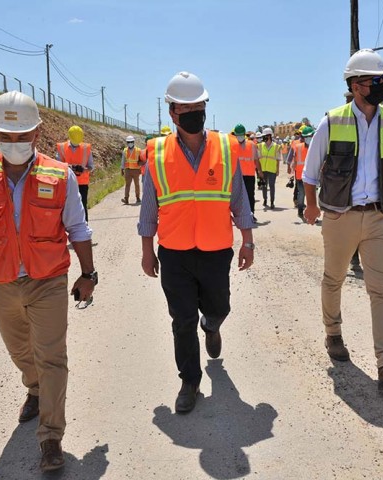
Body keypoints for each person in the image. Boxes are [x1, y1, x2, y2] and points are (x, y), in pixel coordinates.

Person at [0, 91, 97, 471]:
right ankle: (33, 389)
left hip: (47, 281)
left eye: (21, 135)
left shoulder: (59, 174)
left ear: (38, 132)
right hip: (1, 282)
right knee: (21, 353)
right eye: (6, 136)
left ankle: (51, 437)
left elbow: (77, 228)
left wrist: (88, 273)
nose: (14, 144)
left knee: (52, 357)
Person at [138, 71, 255, 413]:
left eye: (198, 105)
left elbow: (239, 200)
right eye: (184, 107)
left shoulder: (225, 147)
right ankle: (190, 381)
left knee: (220, 307)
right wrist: (147, 251)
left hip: (217, 250)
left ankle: (213, 324)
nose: (193, 112)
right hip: (174, 253)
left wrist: (247, 241)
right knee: (182, 319)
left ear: (205, 107)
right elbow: (149, 209)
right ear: (171, 112)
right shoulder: (156, 153)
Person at [303, 48, 383, 392]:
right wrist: (311, 206)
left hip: (378, 217)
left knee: (381, 290)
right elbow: (310, 173)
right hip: (340, 216)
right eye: (373, 81)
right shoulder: (332, 120)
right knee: (334, 278)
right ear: (355, 85)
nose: (381, 85)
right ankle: (333, 333)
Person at [56, 125, 94, 222]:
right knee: (66, 207)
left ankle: (84, 227)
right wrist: (71, 168)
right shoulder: (61, 147)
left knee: (82, 205)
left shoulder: (86, 148)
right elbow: (58, 165)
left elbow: (91, 167)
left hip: (82, 183)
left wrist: (83, 169)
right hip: (66, 182)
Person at [232, 123, 262, 222]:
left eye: (241, 135)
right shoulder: (232, 145)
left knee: (250, 196)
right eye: (238, 135)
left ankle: (251, 214)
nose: (239, 137)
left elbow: (256, 160)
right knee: (236, 197)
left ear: (244, 134)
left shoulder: (252, 145)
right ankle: (238, 216)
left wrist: (260, 172)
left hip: (249, 175)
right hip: (236, 175)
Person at [288, 126, 314, 220]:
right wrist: (291, 173)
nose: (308, 138)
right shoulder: (298, 147)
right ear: (303, 137)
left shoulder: (315, 147)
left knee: (311, 195)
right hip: (300, 175)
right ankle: (300, 211)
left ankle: (311, 213)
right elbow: (294, 161)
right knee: (302, 194)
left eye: (310, 136)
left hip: (312, 176)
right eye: (306, 137)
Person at [257, 127, 282, 209]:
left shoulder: (276, 146)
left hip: (272, 170)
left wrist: (277, 170)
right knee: (264, 186)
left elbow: (278, 159)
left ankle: (272, 202)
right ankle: (265, 199)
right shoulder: (260, 146)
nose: (263, 137)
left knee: (272, 186)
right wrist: (259, 170)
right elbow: (258, 158)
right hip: (263, 170)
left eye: (264, 136)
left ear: (269, 136)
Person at [121, 135, 144, 204]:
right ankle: (126, 199)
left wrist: (141, 168)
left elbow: (141, 160)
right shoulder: (125, 150)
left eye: (131, 142)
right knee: (127, 185)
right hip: (128, 170)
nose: (130, 143)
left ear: (133, 142)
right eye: (128, 142)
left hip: (136, 170)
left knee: (137, 184)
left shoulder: (138, 150)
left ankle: (138, 197)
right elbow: (123, 160)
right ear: (127, 142)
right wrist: (122, 169)